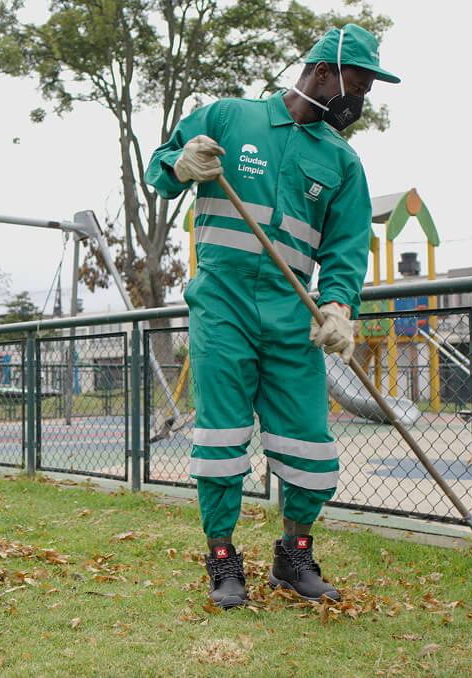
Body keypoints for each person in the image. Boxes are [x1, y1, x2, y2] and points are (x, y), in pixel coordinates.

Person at [144, 24, 399, 608]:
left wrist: (338, 305)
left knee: (309, 440)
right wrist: (182, 163)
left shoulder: (342, 162)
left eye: (366, 92)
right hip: (224, 303)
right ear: (322, 70)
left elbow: (345, 248)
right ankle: (223, 560)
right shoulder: (230, 118)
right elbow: (158, 172)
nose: (359, 102)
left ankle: (294, 557)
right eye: (356, 87)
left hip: (295, 314)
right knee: (222, 434)